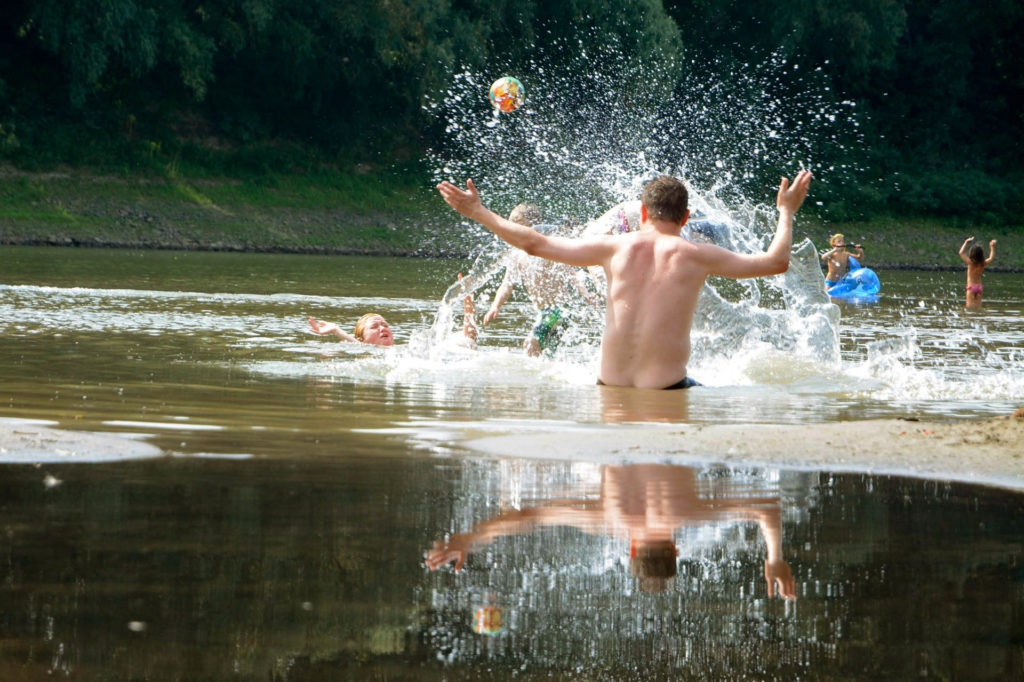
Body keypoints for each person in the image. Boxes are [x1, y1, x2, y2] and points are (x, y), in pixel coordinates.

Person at [436, 170, 813, 389]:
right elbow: (776, 262)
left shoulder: (610, 247)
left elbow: (532, 242)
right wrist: (785, 211)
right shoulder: (696, 255)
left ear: (642, 214)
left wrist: (479, 211)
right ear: (685, 219)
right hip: (668, 391)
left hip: (606, 387)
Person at [425, 463, 797, 597]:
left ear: (676, 549)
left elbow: (766, 506)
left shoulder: (691, 514)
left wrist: (775, 556)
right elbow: (531, 515)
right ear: (632, 549)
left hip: (675, 406)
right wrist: (468, 538)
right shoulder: (608, 521)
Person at [484, 203, 599, 356]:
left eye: (515, 225)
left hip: (561, 310)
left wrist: (585, 293)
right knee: (545, 354)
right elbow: (507, 285)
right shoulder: (515, 255)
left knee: (531, 343)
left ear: (531, 226)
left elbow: (569, 271)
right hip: (543, 312)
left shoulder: (545, 248)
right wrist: (495, 306)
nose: (510, 230)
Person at [309, 275, 478, 346]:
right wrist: (336, 330)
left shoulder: (408, 350)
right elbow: (359, 348)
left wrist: (468, 298)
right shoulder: (366, 351)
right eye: (374, 327)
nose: (383, 328)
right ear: (361, 338)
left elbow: (470, 337)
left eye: (385, 325)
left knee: (467, 343)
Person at [958, 237, 997, 309]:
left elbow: (961, 252)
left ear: (972, 253)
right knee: (978, 307)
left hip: (971, 287)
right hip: (979, 288)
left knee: (970, 308)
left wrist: (966, 242)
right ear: (981, 254)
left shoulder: (970, 263)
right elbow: (991, 258)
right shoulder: (983, 263)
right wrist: (992, 247)